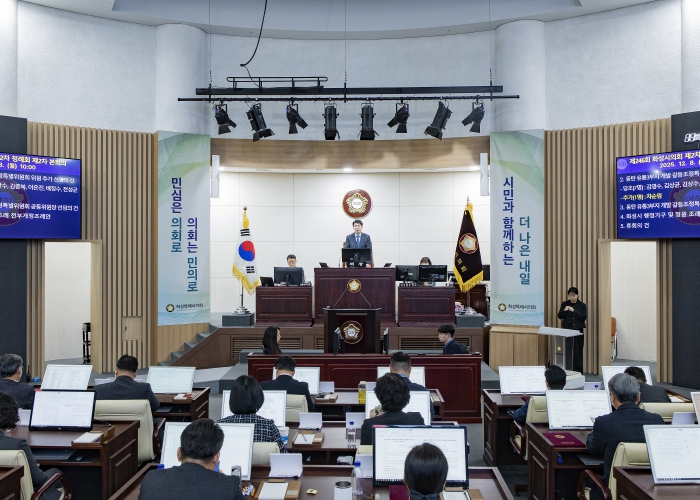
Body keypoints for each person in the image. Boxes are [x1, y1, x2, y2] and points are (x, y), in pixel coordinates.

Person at [585, 373, 664, 500]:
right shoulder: (657, 420)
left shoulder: (604, 422)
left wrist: (592, 434)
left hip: (614, 489)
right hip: (649, 489)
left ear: (612, 396)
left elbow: (593, 448)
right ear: (638, 396)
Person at [138, 418, 244, 500]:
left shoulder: (151, 479)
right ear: (216, 458)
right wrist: (222, 479)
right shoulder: (229, 486)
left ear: (179, 453)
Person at [0, 393, 65, 500]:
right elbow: (39, 480)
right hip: (19, 495)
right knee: (55, 472)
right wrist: (33, 468)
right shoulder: (18, 444)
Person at [217, 376, 287, 453]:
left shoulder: (218, 426)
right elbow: (282, 454)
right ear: (258, 397)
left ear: (233, 398)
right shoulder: (269, 426)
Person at [360, 373, 425, 446]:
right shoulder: (417, 419)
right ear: (406, 395)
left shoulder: (369, 425)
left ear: (379, 397)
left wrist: (373, 420)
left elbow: (365, 451)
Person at [94, 354, 160, 411]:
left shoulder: (99, 390)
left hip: (109, 422)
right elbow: (155, 406)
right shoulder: (144, 388)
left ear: (116, 370)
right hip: (137, 422)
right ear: (135, 373)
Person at [389, 351, 433, 419]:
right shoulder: (422, 390)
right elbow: (431, 416)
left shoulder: (382, 389)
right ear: (410, 369)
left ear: (390, 368)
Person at [557, 287, 587, 373]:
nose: (572, 297)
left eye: (574, 295)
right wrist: (564, 310)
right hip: (567, 330)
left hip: (578, 330)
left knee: (578, 350)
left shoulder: (582, 305)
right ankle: (567, 369)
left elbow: (583, 317)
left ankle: (578, 370)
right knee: (567, 349)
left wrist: (574, 311)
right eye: (570, 296)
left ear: (577, 295)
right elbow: (560, 316)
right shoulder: (564, 304)